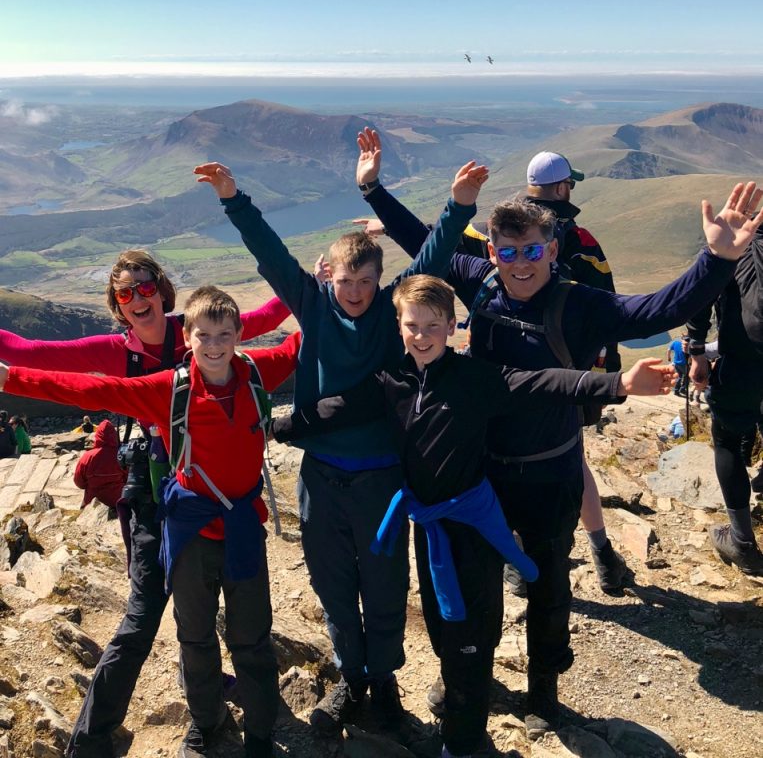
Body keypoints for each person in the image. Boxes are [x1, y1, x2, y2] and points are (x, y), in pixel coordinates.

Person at [356, 139, 763, 737]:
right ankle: (467, 672)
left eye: (534, 250)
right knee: (474, 583)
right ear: (492, 251)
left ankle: (544, 689)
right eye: (509, 251)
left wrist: (718, 259)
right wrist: (373, 190)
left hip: (550, 472)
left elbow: (656, 308)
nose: (521, 263)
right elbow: (426, 243)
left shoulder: (578, 303)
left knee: (548, 586)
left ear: (552, 247)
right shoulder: (482, 282)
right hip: (482, 473)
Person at [274, 275, 673, 758]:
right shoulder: (391, 382)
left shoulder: (476, 378)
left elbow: (545, 382)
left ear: (451, 326)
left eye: (432, 326)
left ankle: (463, 743)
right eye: (412, 325)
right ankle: (465, 693)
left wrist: (618, 383)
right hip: (429, 526)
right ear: (399, 326)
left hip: (472, 526)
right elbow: (339, 408)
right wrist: (276, 426)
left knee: (468, 632)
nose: (421, 335)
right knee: (445, 629)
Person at [194, 157, 489, 735]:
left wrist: (459, 206)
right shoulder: (312, 306)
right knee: (333, 585)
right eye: (344, 281)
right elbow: (270, 252)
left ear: (381, 280)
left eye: (365, 281)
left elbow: (431, 257)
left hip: (381, 479)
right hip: (322, 478)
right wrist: (234, 197)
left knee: (383, 584)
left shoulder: (391, 313)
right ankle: (351, 677)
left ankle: (384, 682)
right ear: (328, 276)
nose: (354, 292)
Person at [0, 248, 291, 758]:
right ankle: (95, 738)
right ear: (117, 302)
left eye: (145, 286)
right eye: (125, 292)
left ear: (162, 288)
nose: (137, 297)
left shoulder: (201, 331)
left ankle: (220, 705)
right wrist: (9, 377)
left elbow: (269, 323)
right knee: (147, 618)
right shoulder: (126, 357)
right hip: (157, 500)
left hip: (202, 495)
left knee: (211, 612)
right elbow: (41, 358)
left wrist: (320, 286)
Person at [357, 139, 629, 592]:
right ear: (563, 188)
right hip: (562, 383)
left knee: (494, 462)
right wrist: (604, 378)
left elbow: (434, 241)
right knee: (569, 460)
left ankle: (513, 555)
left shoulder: (496, 237)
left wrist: (377, 198)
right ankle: (599, 551)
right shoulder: (580, 243)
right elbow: (611, 311)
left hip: (492, 383)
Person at [688, 221, 763, 575]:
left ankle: (742, 543)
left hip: (743, 363)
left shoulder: (740, 241)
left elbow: (700, 294)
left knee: (729, 441)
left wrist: (697, 350)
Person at [73, 419, 126, 509]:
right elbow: (127, 478)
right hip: (118, 499)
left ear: (98, 436)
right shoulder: (121, 455)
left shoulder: (88, 456)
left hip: (93, 500)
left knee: (82, 508)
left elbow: (79, 482)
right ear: (114, 435)